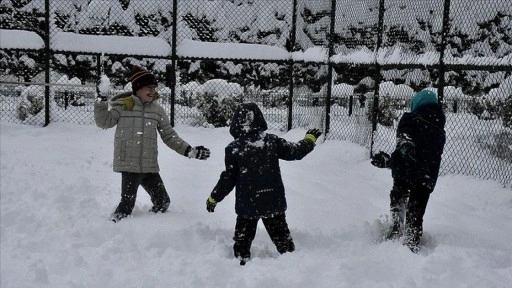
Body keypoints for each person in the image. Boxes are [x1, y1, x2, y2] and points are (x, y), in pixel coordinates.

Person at [205, 102, 322, 265]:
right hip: (272, 201)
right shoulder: (272, 142)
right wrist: (309, 140)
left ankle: (241, 261)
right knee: (282, 239)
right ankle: (292, 263)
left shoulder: (234, 149)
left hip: (248, 205)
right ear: (259, 120)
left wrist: (214, 197)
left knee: (242, 240)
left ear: (236, 124)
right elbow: (295, 151)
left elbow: (228, 178)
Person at [94, 65, 211, 223]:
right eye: (148, 87)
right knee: (127, 205)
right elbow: (104, 122)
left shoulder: (157, 111)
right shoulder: (123, 106)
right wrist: (101, 99)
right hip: (129, 165)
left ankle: (151, 226)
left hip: (149, 166)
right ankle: (112, 231)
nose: (152, 91)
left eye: (154, 87)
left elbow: (169, 135)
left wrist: (189, 150)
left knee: (163, 202)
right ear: (137, 88)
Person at [371, 89, 446, 253]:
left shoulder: (410, 118)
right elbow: (424, 156)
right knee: (417, 209)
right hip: (427, 177)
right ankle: (412, 237)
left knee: (398, 195)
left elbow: (405, 139)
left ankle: (396, 226)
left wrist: (402, 147)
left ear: (417, 104)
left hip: (405, 171)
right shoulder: (440, 129)